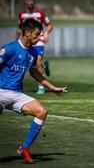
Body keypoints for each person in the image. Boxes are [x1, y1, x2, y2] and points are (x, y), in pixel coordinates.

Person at [0, 19, 67, 164]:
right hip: (1, 92)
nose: (39, 38)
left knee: (41, 111)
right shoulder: (10, 48)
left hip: (17, 95)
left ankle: (24, 148)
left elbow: (35, 73)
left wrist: (52, 87)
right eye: (37, 35)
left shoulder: (32, 53)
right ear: (27, 33)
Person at [16, 0, 53, 94]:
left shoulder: (40, 13)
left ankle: (41, 87)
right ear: (26, 1)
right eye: (28, 0)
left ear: (34, 1)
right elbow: (19, 28)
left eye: (32, 0)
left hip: (38, 40)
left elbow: (49, 25)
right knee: (29, 63)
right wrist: (16, 40)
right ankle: (44, 67)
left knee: (37, 62)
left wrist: (46, 32)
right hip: (27, 41)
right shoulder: (22, 14)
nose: (30, 2)